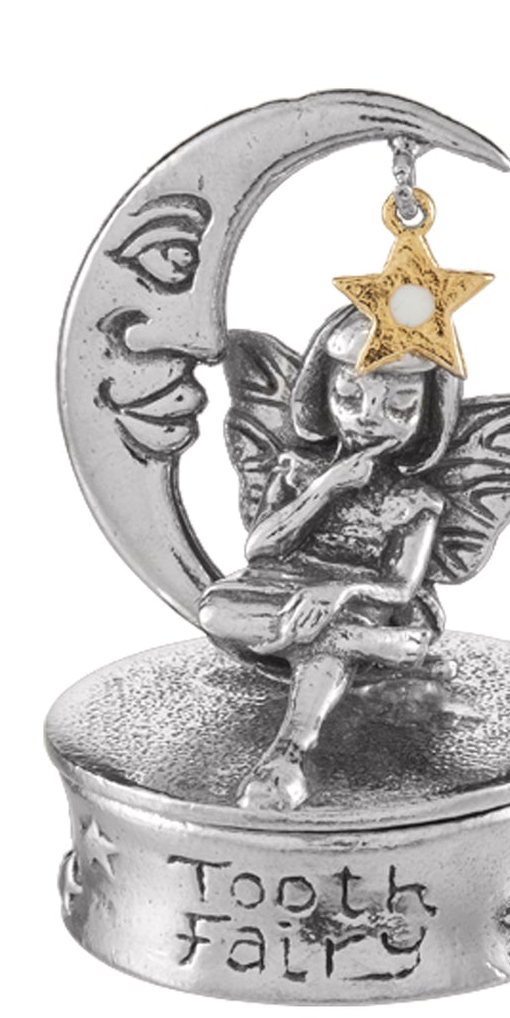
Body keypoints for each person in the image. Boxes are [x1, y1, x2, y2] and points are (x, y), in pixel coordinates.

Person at [199, 308, 460, 810]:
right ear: (322, 395)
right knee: (212, 610)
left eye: (399, 407)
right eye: (349, 398)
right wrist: (326, 488)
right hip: (283, 591)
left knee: (319, 639)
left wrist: (339, 592)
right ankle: (361, 645)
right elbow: (261, 548)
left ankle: (288, 754)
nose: (369, 417)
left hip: (367, 604)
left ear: (430, 414)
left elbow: (401, 586)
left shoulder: (415, 500)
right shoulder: (297, 471)